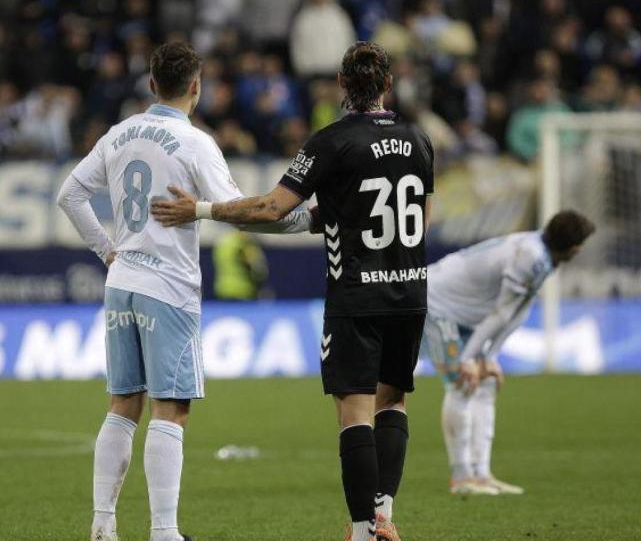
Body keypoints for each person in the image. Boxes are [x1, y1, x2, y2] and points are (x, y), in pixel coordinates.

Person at [153, 41, 435, 541]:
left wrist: (201, 210)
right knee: (393, 402)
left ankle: (365, 529)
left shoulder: (331, 141)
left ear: (342, 86)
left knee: (355, 411)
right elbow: (420, 223)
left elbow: (270, 208)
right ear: (388, 84)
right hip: (410, 291)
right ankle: (385, 513)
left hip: (356, 296)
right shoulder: (419, 139)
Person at [56, 42, 312, 541]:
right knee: (171, 408)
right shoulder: (196, 143)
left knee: (122, 403)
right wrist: (306, 221)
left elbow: (70, 195)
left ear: (152, 84)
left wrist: (110, 252)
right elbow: (243, 212)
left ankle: (103, 527)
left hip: (122, 284)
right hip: (167, 289)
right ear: (197, 87)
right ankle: (164, 532)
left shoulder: (120, 132)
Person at [423, 212, 595, 496]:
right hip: (437, 304)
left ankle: (481, 474)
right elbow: (502, 311)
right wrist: (469, 358)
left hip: (464, 313)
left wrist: (491, 355)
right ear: (574, 248)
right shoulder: (531, 257)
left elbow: (518, 310)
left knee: (486, 381)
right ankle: (462, 477)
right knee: (462, 382)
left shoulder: (543, 254)